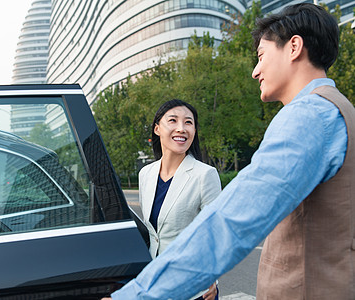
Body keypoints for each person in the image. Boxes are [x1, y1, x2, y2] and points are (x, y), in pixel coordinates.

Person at [105, 3, 354, 299]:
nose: (255, 71)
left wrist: (135, 295)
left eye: (261, 56)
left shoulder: (310, 115)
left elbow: (232, 222)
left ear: (294, 47)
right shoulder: (340, 110)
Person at [139, 99, 221, 300]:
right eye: (173, 121)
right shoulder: (145, 174)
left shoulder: (205, 175)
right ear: (157, 129)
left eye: (188, 122)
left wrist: (213, 278)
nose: (181, 128)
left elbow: (216, 233)